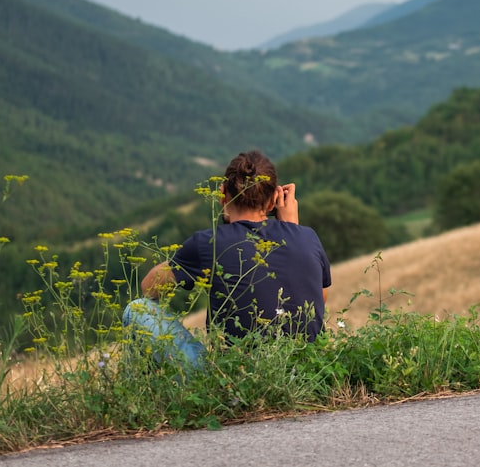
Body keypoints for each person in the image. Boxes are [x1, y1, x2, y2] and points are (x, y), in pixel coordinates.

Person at [122, 150, 331, 368]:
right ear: (271, 203)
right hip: (307, 373)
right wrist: (292, 230)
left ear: (222, 195)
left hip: (233, 382)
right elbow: (318, 298)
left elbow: (148, 287)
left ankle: (141, 395)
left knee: (137, 309)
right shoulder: (308, 236)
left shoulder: (208, 242)